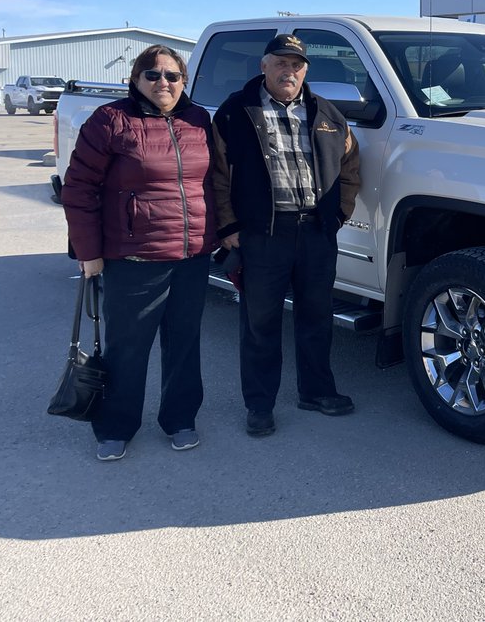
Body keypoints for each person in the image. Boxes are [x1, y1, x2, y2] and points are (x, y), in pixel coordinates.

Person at [62, 45, 217, 461]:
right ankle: (115, 426)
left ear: (184, 80)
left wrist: (222, 233)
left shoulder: (198, 120)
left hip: (191, 255)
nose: (163, 82)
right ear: (135, 79)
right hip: (134, 257)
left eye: (172, 75)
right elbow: (79, 189)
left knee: (184, 343)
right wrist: (88, 251)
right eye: (153, 74)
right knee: (127, 348)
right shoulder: (111, 120)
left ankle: (180, 419)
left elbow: (215, 181)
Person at [211, 34, 361, 437]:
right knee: (260, 323)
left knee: (317, 317)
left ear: (305, 71)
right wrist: (229, 228)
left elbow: (350, 163)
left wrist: (339, 214)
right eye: (280, 63)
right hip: (263, 235)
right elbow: (218, 174)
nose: (288, 71)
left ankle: (317, 392)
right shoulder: (235, 112)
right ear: (264, 66)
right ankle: (260, 405)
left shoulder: (327, 113)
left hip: (316, 232)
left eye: (296, 65)